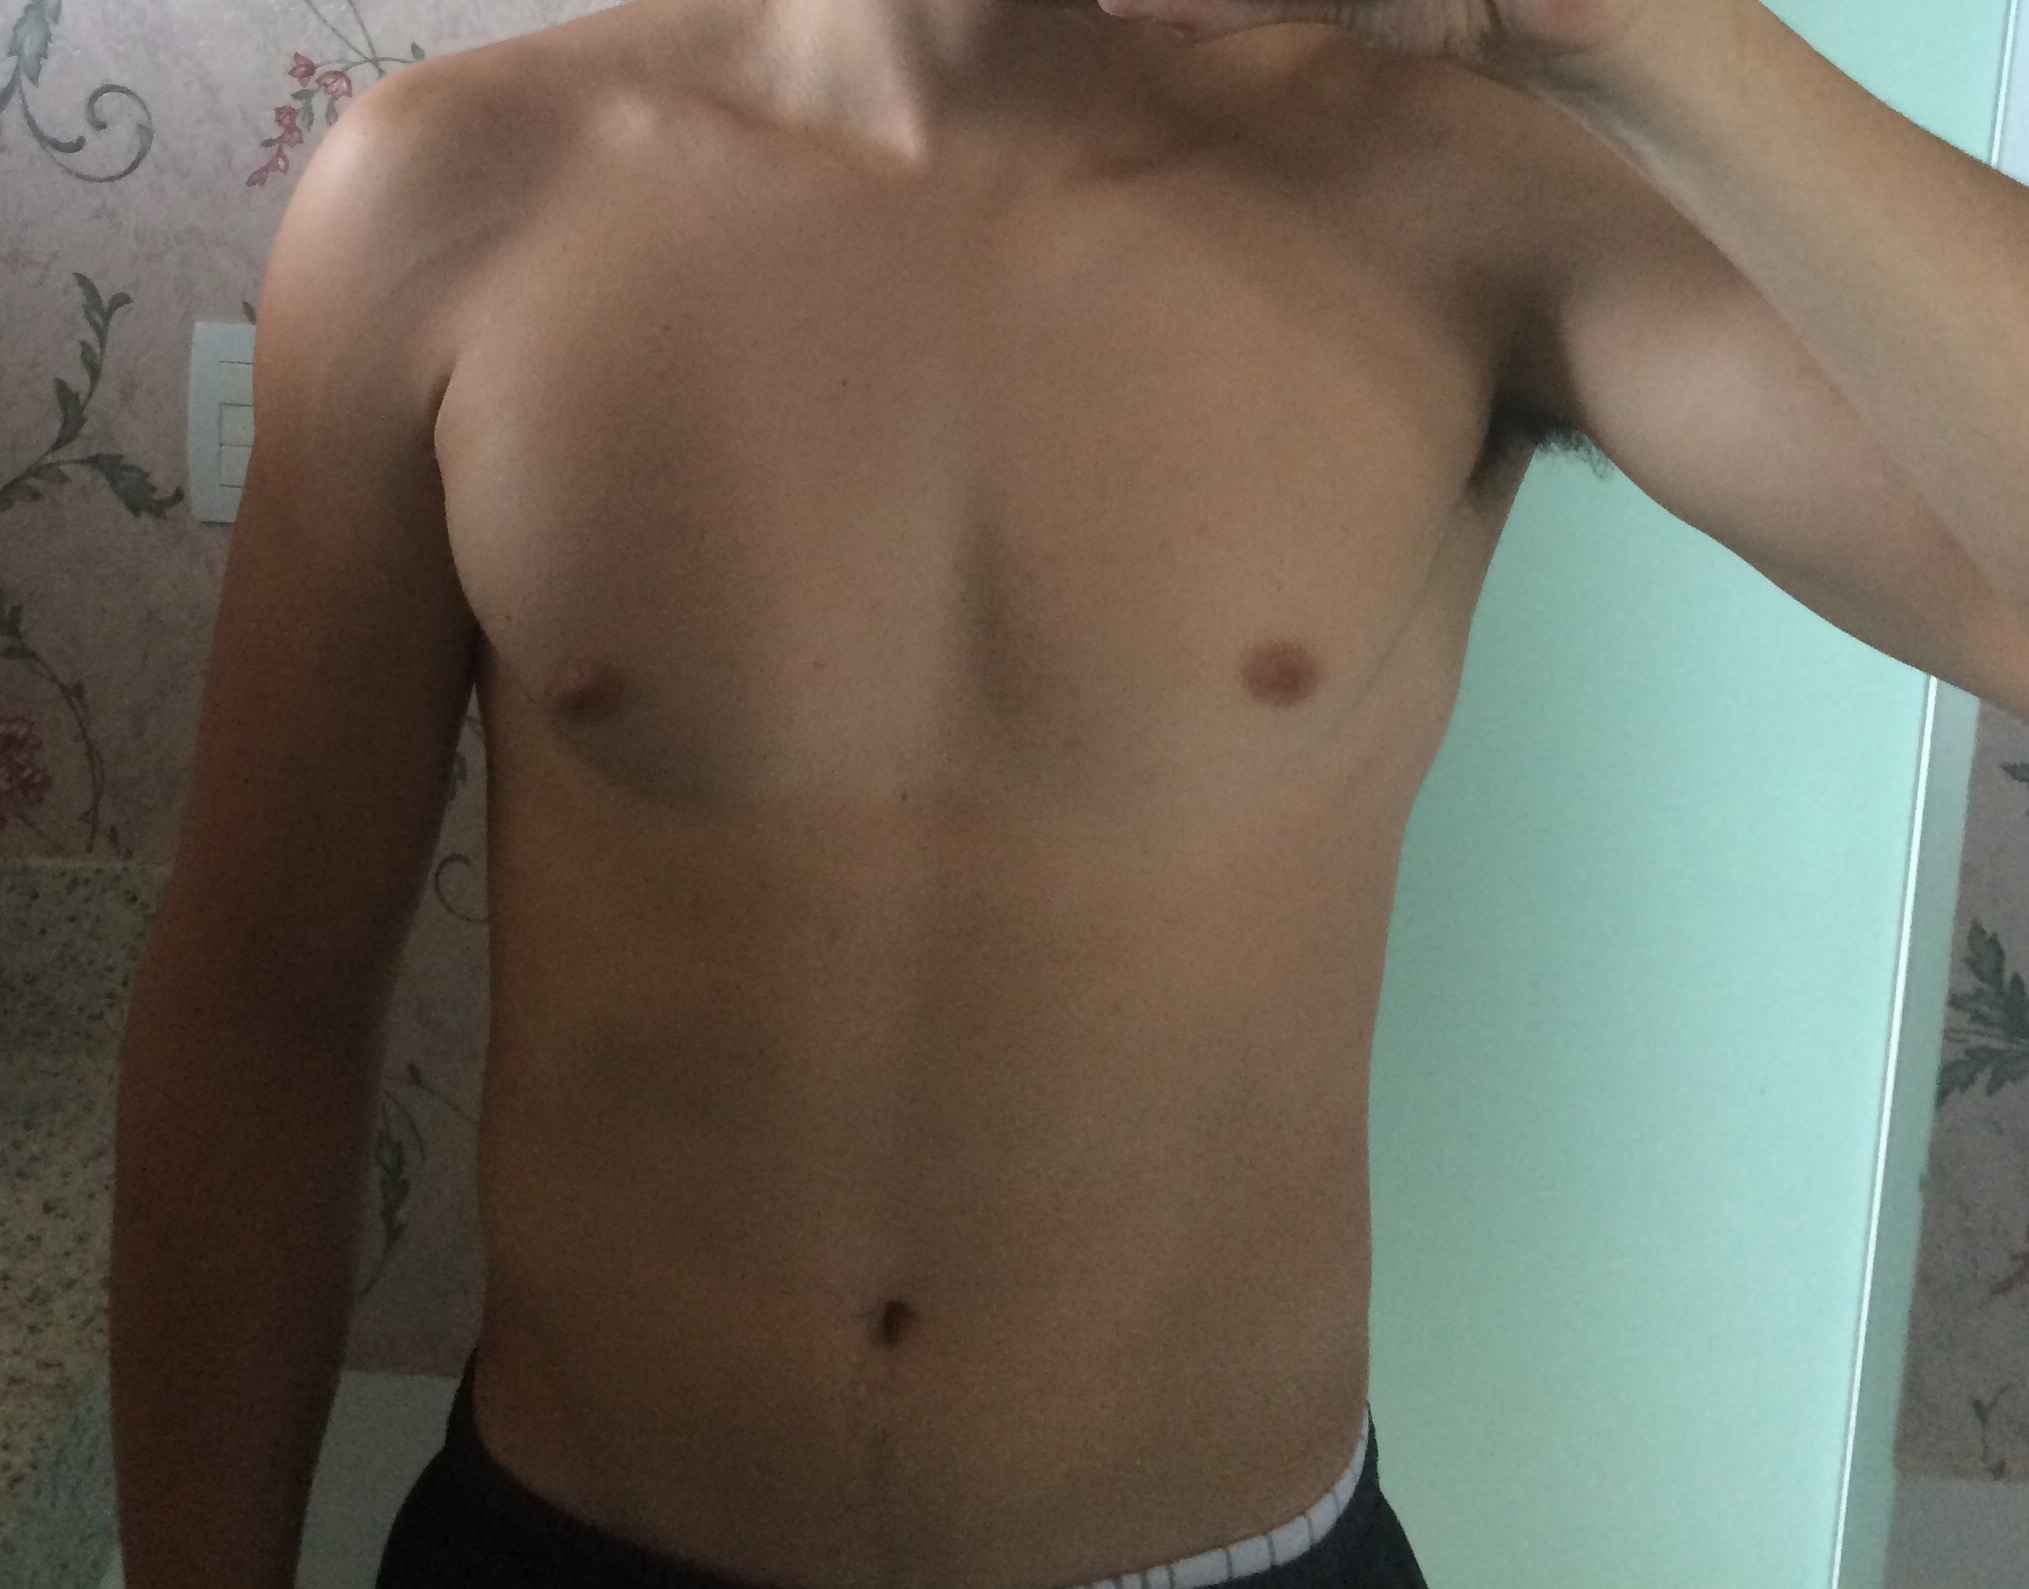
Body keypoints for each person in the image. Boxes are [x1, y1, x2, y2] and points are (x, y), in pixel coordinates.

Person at [109, 1, 2027, 1586]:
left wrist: (1641, 35)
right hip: (568, 1544)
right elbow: (266, 996)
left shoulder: (1458, 179)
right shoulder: (456, 188)